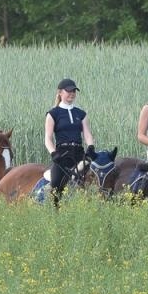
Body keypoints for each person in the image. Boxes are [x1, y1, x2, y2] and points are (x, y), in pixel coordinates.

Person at [44, 77, 95, 205]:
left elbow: (87, 134)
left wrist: (90, 147)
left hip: (79, 154)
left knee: (96, 177)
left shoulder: (81, 113)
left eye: (74, 91)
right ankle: (54, 209)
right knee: (56, 183)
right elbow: (48, 138)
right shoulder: (53, 114)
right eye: (69, 91)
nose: (72, 93)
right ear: (60, 92)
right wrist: (53, 153)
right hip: (62, 155)